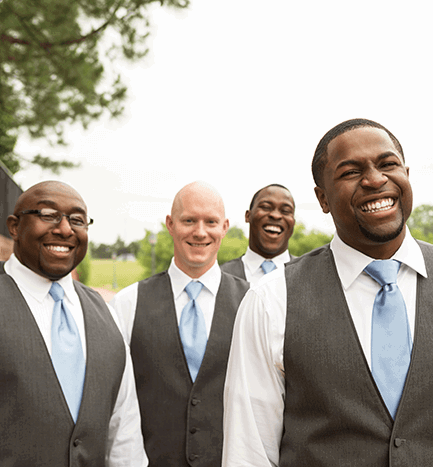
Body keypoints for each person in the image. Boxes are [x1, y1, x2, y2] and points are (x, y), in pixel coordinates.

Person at [222, 118, 433, 466]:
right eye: (350, 172)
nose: (375, 180)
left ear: (406, 174)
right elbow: (249, 452)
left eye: (388, 164)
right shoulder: (271, 301)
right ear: (322, 198)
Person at [1, 180, 147, 466]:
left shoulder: (108, 316)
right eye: (48, 215)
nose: (65, 229)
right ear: (15, 226)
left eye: (77, 220)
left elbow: (124, 431)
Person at [110, 181, 249, 467]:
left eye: (210, 221)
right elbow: (117, 403)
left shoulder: (252, 303)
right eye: (189, 220)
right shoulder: (128, 303)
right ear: (170, 224)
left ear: (224, 227)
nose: (200, 232)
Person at [221, 184, 295, 285]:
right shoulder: (221, 276)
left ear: (293, 223)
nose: (275, 215)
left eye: (286, 211)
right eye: (266, 207)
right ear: (248, 216)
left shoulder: (310, 274)